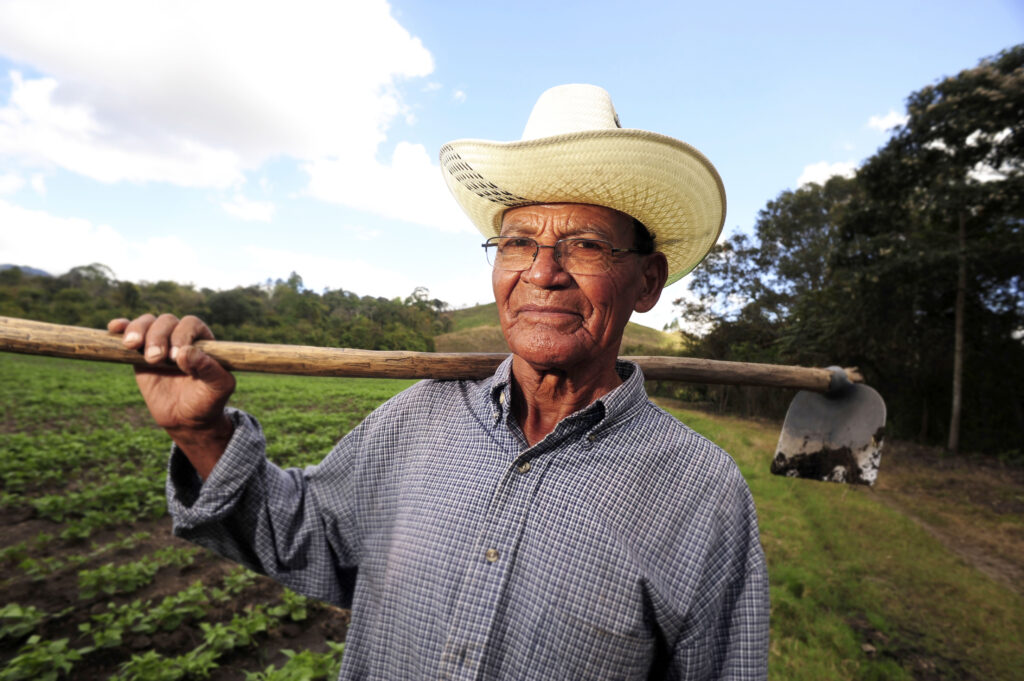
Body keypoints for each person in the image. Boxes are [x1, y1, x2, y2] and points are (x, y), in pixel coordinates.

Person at [110, 84, 769, 680]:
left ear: (646, 282)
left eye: (585, 245)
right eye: (517, 243)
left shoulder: (701, 492)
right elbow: (301, 534)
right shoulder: (418, 418)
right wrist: (202, 432)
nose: (543, 272)